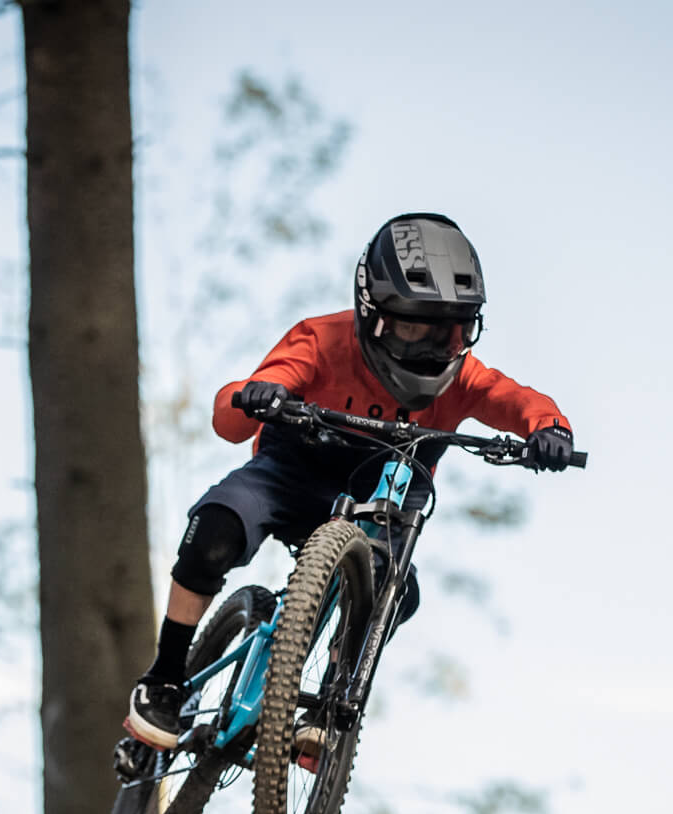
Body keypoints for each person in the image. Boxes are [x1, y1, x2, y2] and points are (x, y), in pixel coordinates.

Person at [124, 211, 576, 750]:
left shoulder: (464, 376)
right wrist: (259, 394)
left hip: (385, 499)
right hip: (291, 475)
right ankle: (165, 677)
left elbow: (515, 399)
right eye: (412, 327)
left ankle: (332, 696)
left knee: (395, 591)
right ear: (371, 314)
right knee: (216, 527)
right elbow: (231, 417)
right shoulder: (321, 339)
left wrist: (549, 428)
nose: (430, 348)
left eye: (448, 332)